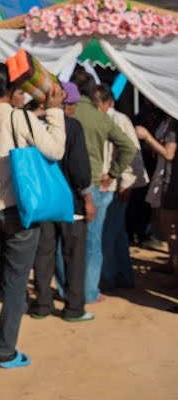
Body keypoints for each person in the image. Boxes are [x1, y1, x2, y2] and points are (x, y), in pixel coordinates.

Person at [0, 63, 66, 369]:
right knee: (16, 282)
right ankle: (5, 350)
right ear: (13, 90)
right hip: (19, 210)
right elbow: (55, 150)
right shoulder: (22, 118)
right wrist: (55, 111)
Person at [29, 82, 95, 323]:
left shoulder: (33, 126)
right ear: (63, 104)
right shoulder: (73, 128)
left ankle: (42, 304)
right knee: (74, 255)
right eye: (72, 105)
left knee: (43, 254)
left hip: (41, 202)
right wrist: (88, 197)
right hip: (70, 202)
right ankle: (74, 308)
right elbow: (80, 170)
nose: (74, 110)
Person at [69, 69, 136, 304]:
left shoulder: (67, 113)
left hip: (74, 186)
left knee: (71, 241)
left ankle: (77, 288)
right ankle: (91, 290)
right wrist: (114, 175)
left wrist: (121, 178)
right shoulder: (101, 118)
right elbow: (129, 148)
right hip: (99, 186)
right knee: (98, 240)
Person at [94, 84, 147, 291]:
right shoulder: (105, 119)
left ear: (108, 103)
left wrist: (126, 184)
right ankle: (122, 276)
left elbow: (132, 154)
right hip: (111, 185)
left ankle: (109, 277)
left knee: (109, 234)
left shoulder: (120, 120)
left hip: (117, 187)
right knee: (117, 234)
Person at [136, 109, 178, 284]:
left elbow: (169, 154)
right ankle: (172, 263)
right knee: (166, 225)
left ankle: (176, 272)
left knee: (170, 227)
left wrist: (147, 137)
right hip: (166, 178)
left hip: (171, 181)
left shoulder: (174, 122)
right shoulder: (167, 119)